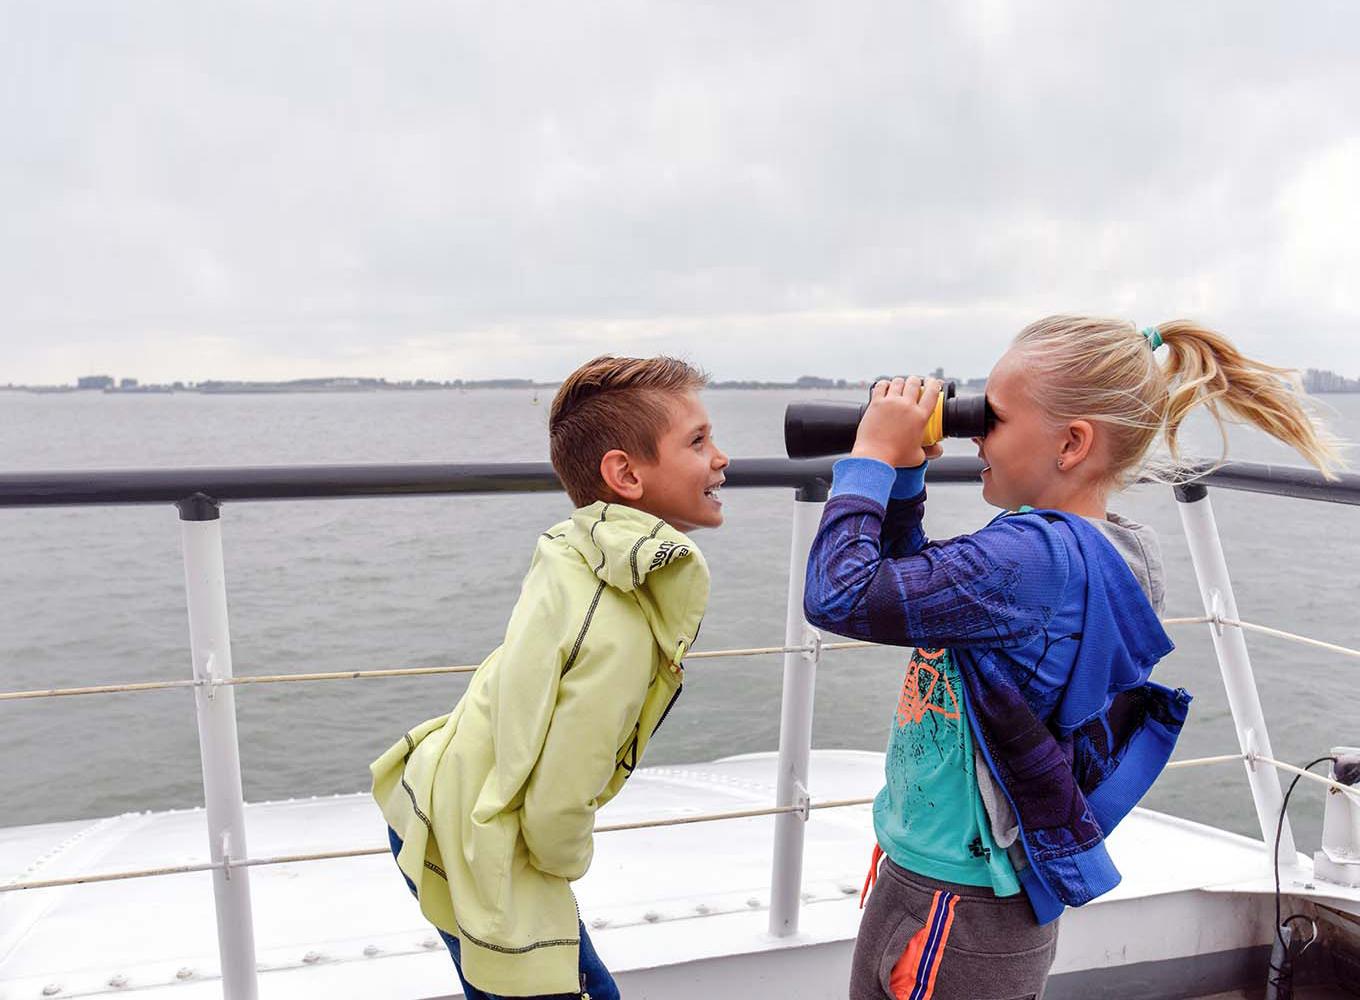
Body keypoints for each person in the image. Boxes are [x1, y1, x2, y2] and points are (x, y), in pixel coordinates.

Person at [803, 316, 1344, 1000]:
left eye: (990, 417)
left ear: (1072, 442)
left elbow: (838, 594)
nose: (973, 433)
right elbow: (905, 597)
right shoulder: (1066, 548)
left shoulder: (1035, 561)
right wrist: (906, 482)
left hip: (966, 902)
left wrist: (873, 458)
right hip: (932, 873)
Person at [371, 355, 728, 999]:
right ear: (623, 473)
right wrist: (568, 862)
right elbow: (553, 808)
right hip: (486, 835)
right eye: (698, 442)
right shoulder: (620, 630)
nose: (721, 458)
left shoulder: (580, 548)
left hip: (441, 797)